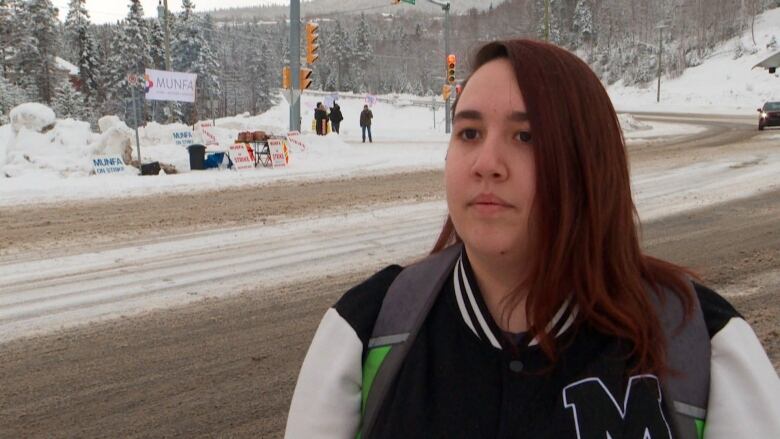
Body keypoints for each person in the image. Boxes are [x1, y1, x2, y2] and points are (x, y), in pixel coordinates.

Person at [285, 39, 780, 438]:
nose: (486, 164)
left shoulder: (701, 343)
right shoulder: (365, 331)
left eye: (526, 137)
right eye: (469, 133)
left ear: (587, 162)